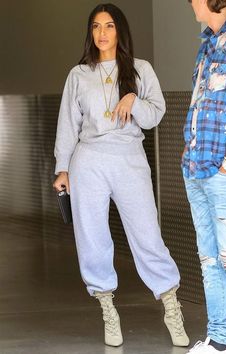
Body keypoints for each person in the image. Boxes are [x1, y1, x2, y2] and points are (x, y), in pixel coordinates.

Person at [53, 3, 189, 348]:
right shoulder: (78, 74)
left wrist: (133, 99)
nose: (102, 33)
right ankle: (107, 308)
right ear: (90, 32)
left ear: (120, 31)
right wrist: (62, 168)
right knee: (93, 237)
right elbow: (68, 125)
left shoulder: (141, 70)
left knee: (147, 234)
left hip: (129, 159)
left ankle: (171, 305)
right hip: (89, 161)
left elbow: (156, 114)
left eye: (109, 26)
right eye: (96, 26)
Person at [183, 1, 226, 353]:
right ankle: (219, 343)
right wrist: (187, 154)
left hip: (224, 170)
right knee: (211, 260)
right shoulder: (207, 42)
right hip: (196, 167)